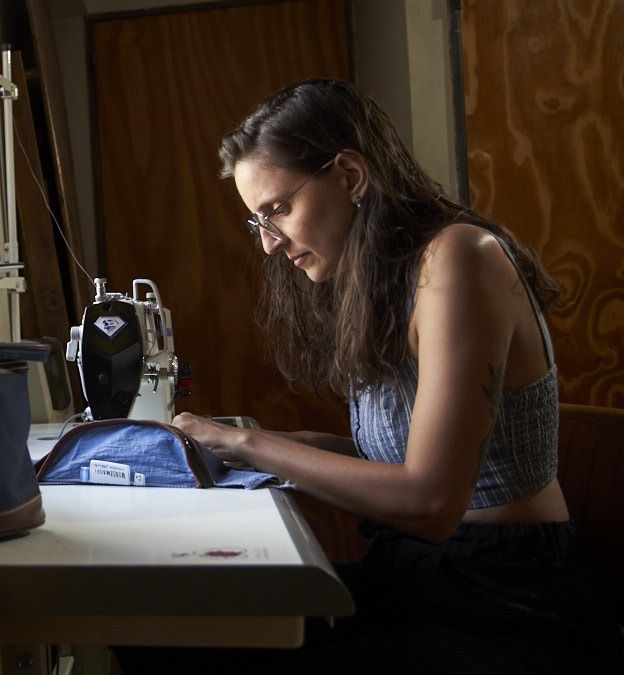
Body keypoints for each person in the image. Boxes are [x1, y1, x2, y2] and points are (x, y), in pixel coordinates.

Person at [116, 79, 624, 673]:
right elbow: (394, 462)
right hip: (418, 578)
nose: (269, 244)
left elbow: (430, 499)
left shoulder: (460, 257)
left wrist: (248, 442)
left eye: (278, 209)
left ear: (351, 176)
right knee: (159, 624)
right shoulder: (380, 282)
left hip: (508, 604)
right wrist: (252, 449)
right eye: (258, 222)